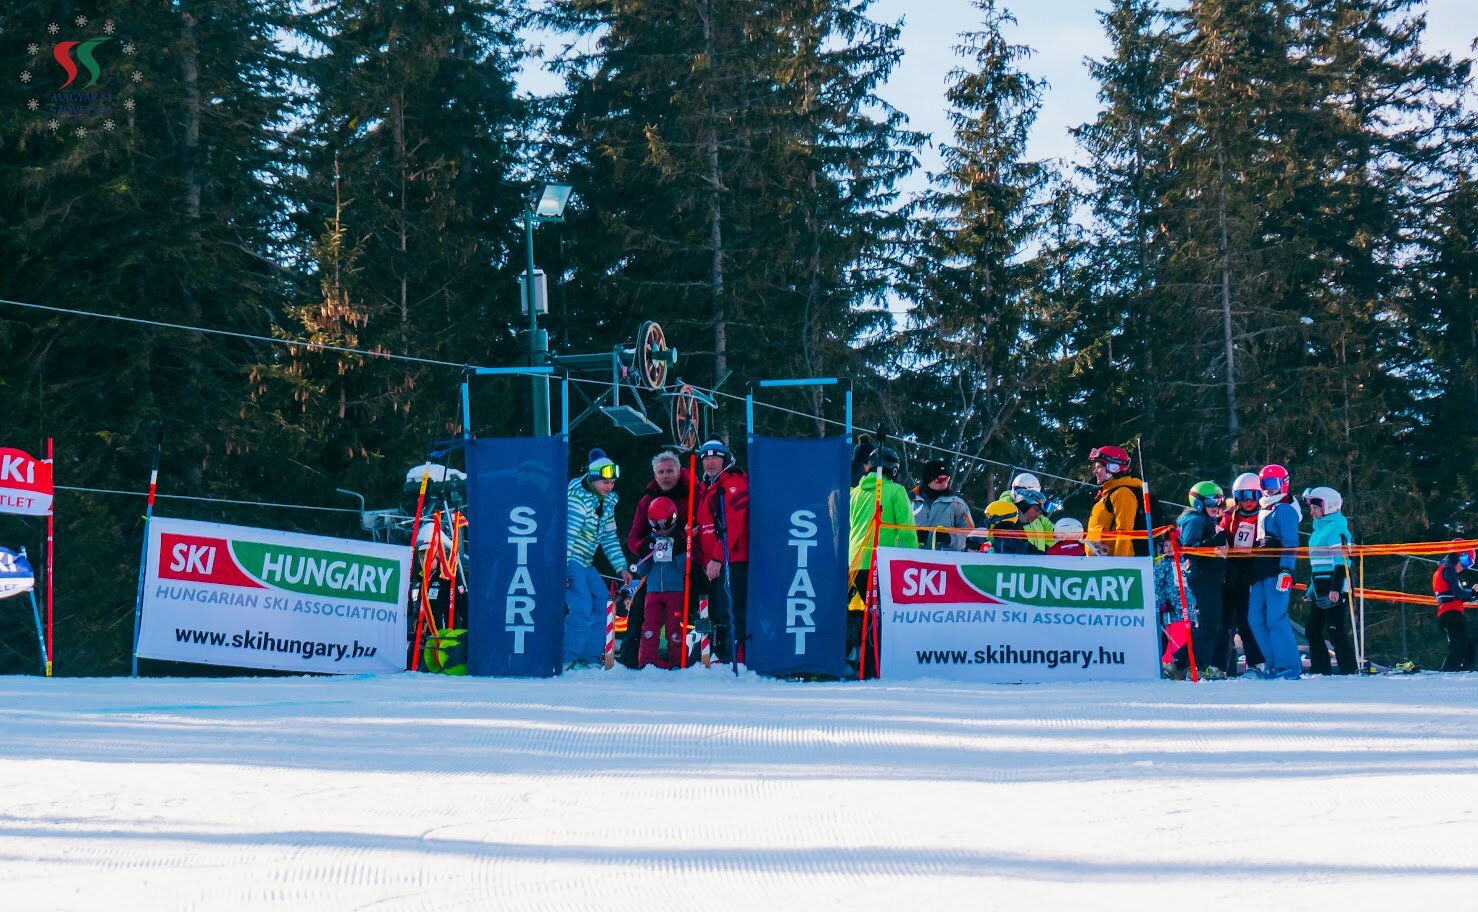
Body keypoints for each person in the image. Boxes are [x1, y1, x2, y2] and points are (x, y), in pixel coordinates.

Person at [848, 445, 917, 677]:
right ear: (894, 469)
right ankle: (871, 666)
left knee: (868, 612)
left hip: (855, 561)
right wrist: (913, 559)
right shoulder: (895, 491)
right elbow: (906, 530)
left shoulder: (855, 492)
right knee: (879, 616)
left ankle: (864, 663)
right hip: (879, 560)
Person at [622, 451, 694, 668]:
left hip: (685, 566)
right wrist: (642, 547)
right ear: (654, 474)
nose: (665, 476)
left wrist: (686, 543)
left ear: (678, 471)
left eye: (670, 471)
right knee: (641, 612)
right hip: (655, 571)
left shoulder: (691, 494)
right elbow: (633, 537)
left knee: (681, 618)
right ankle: (633, 659)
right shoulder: (647, 501)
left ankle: (691, 657)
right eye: (661, 472)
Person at [565, 449, 632, 668]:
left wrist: (622, 567)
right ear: (593, 479)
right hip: (571, 559)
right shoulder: (577, 500)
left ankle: (591, 656)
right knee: (582, 606)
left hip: (586, 561)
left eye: (612, 482)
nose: (609, 486)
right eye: (605, 482)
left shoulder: (607, 502)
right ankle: (569, 656)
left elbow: (609, 537)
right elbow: (568, 536)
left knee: (604, 602)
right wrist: (562, 568)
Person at [695, 439, 749, 665]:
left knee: (732, 608)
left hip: (732, 559)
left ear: (725, 459)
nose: (710, 462)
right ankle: (724, 653)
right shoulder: (711, 486)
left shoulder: (732, 483)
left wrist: (718, 557)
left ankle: (736, 654)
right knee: (719, 609)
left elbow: (734, 523)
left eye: (715, 457)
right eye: (706, 458)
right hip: (716, 561)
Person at [1246, 464, 1302, 680]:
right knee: (1255, 617)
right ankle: (1273, 663)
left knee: (1276, 618)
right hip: (1261, 569)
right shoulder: (1264, 510)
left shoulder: (1285, 509)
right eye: (1264, 484)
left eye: (1273, 484)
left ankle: (1288, 665)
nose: (1268, 489)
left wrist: (1287, 569)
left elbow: (1290, 542)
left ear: (1283, 484)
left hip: (1277, 569)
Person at [1174, 481, 1229, 678]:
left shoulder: (1206, 520)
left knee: (1209, 623)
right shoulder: (1195, 520)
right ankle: (1200, 667)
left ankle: (1178, 663)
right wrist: (1214, 541)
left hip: (1210, 577)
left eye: (1220, 502)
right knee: (1209, 623)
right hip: (1203, 577)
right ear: (1198, 503)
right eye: (1212, 502)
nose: (1217, 507)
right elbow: (1190, 550)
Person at [1304, 486, 1357, 675]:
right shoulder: (1318, 529)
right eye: (1311, 508)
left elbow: (1341, 562)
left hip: (1335, 586)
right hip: (1320, 586)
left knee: (1335, 630)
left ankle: (1349, 669)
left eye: (1315, 508)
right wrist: (1311, 588)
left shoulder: (1336, 527)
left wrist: (1336, 589)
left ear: (1328, 507)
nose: (1312, 512)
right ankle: (1321, 669)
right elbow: (1317, 564)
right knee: (1312, 630)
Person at [632, 496, 688, 669]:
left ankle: (676, 662)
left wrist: (680, 550)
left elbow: (685, 568)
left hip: (675, 590)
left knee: (674, 629)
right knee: (649, 628)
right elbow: (642, 571)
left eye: (667, 523)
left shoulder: (679, 539)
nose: (662, 529)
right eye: (657, 524)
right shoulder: (651, 541)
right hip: (653, 591)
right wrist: (643, 552)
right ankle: (647, 663)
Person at [1220, 472, 1265, 675]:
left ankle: (1256, 662)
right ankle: (1222, 665)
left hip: (1252, 571)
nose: (1248, 501)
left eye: (1253, 496)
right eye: (1244, 496)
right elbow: (1222, 536)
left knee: (1247, 620)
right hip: (1232, 571)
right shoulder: (1230, 516)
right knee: (1226, 620)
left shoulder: (1263, 516)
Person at [1085, 445, 1147, 557]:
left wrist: (1119, 565)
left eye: (1099, 467)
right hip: (1101, 566)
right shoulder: (1105, 496)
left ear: (1112, 468)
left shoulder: (1123, 493)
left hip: (1115, 567)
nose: (1095, 472)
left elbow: (1124, 532)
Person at [1433, 545, 1478, 672]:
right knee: (1459, 646)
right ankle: (1448, 672)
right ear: (1456, 555)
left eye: (1469, 564)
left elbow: (1457, 595)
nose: (1464, 566)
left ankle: (1465, 671)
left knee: (1470, 648)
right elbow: (1458, 593)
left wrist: (1472, 595)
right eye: (1465, 561)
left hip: (1452, 614)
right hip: (1451, 614)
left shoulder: (1446, 571)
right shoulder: (1447, 570)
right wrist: (1473, 591)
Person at [911, 459, 973, 550]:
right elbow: (896, 529)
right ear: (928, 480)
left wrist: (950, 539)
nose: (944, 483)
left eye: (946, 479)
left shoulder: (957, 503)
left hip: (945, 558)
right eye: (939, 480)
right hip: (914, 557)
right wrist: (913, 537)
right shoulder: (910, 501)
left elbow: (970, 532)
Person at [994, 473, 1055, 551]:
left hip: (1037, 560)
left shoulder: (1038, 515)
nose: (1037, 515)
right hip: (1017, 558)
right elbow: (1014, 544)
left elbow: (1052, 533)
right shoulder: (1005, 511)